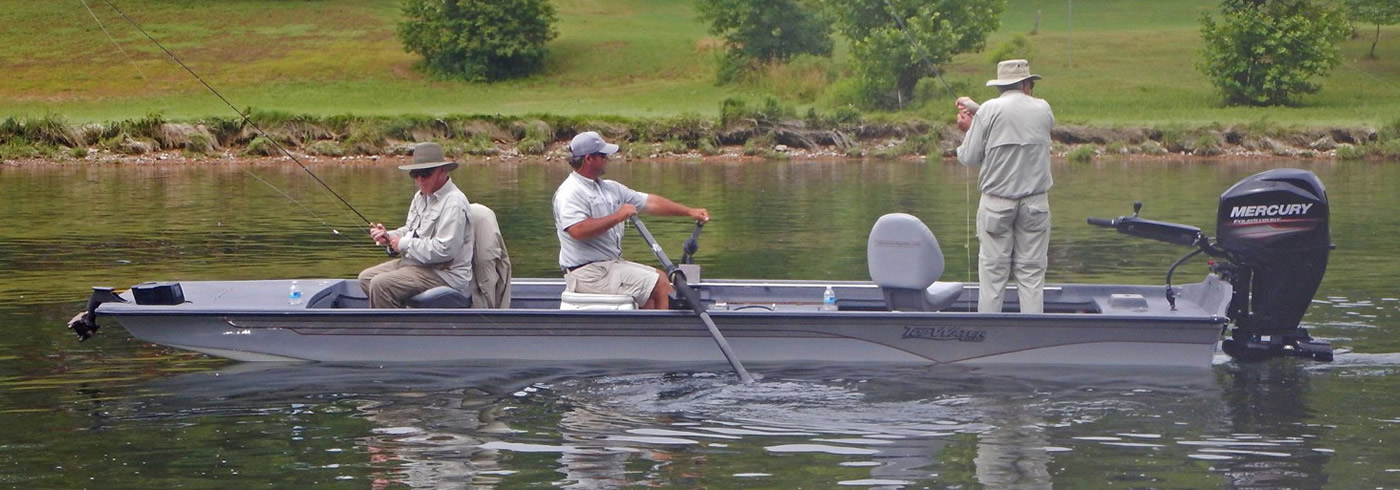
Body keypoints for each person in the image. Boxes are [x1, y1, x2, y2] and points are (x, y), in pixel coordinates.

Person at [553, 131, 710, 309]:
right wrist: (618, 216)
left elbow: (650, 203)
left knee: (658, 281)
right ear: (589, 159)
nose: (608, 159)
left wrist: (690, 211)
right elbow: (577, 231)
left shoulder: (610, 188)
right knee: (659, 283)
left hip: (608, 266)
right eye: (603, 155)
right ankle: (665, 335)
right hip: (587, 274)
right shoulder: (570, 192)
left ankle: (646, 335)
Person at [955, 59, 1055, 314]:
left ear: (1001, 85)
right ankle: (1033, 340)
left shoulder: (989, 111)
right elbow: (1017, 117)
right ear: (1024, 84)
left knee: (993, 277)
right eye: (1031, 83)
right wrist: (979, 113)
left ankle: (987, 339)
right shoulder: (1044, 109)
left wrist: (970, 128)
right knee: (1031, 276)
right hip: (1035, 205)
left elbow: (968, 157)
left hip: (996, 205)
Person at [359, 142, 474, 308]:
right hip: (418, 265)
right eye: (415, 174)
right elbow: (411, 230)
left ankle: (392, 332)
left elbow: (445, 250)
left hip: (444, 274)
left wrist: (403, 244)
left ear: (442, 171)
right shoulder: (421, 197)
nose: (420, 179)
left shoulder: (454, 202)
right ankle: (403, 323)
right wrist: (389, 236)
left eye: (425, 173)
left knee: (380, 284)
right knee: (366, 278)